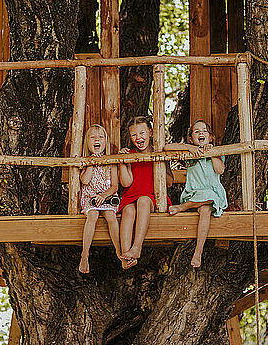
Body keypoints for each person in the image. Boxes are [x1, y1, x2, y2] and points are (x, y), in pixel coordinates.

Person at [164, 119, 227, 267]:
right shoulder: (189, 153)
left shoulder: (217, 152)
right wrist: (189, 148)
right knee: (204, 205)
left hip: (213, 194)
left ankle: (198, 252)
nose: (201, 133)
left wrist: (212, 153)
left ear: (210, 137)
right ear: (191, 138)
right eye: (197, 131)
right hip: (194, 193)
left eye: (204, 131)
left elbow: (220, 170)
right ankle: (198, 251)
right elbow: (167, 147)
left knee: (205, 210)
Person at [118, 116, 173, 268]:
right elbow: (126, 182)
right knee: (128, 210)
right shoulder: (129, 154)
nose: (138, 138)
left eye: (142, 133)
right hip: (130, 196)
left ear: (150, 132)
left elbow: (169, 182)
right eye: (134, 135)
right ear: (130, 137)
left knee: (142, 200)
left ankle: (137, 247)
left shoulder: (159, 153)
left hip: (150, 198)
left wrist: (159, 163)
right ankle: (125, 255)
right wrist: (123, 163)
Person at [78, 124, 121, 274]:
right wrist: (91, 163)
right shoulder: (86, 161)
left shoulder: (111, 162)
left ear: (105, 142)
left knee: (111, 216)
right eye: (93, 137)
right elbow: (85, 181)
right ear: (87, 143)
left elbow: (115, 186)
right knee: (93, 215)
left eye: (100, 137)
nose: (97, 140)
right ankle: (85, 254)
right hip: (90, 197)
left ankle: (119, 251)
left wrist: (104, 196)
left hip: (107, 196)